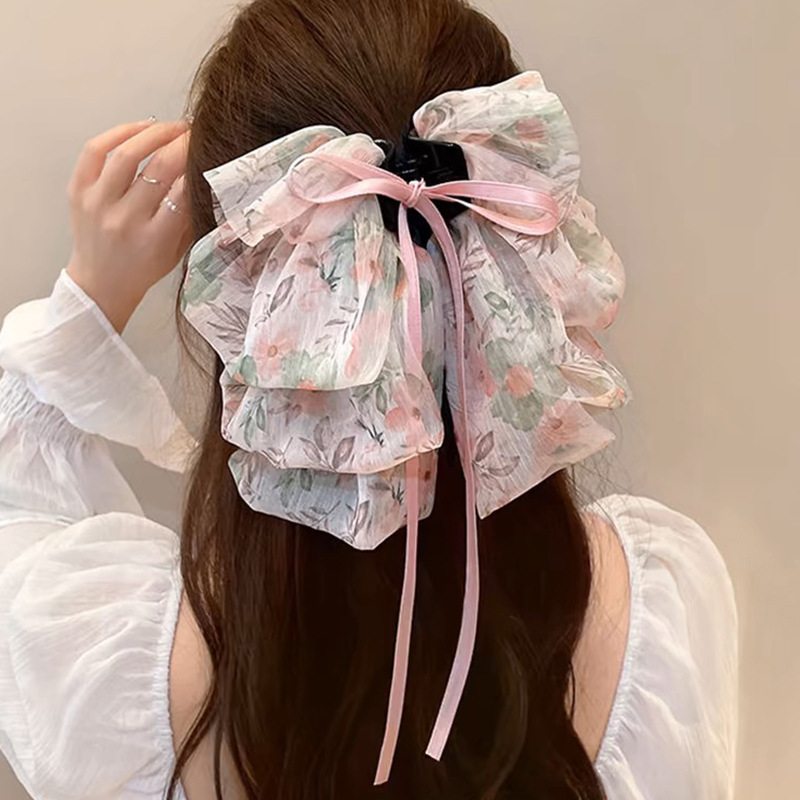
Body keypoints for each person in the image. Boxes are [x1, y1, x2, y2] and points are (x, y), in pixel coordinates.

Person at [0, 0, 738, 798]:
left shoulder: (114, 675)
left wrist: (89, 297)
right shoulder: (659, 622)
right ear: (516, 260)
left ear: (251, 307)